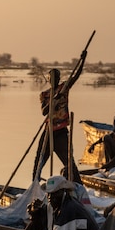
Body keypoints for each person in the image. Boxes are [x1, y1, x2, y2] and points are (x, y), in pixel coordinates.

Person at [34, 52, 88, 181]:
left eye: (56, 78)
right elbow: (44, 112)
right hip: (48, 132)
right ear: (49, 80)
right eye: (51, 78)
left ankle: (78, 185)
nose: (54, 80)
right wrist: (53, 100)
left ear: (58, 79)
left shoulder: (64, 88)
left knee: (69, 161)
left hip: (61, 132)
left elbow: (76, 76)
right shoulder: (45, 94)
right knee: (38, 161)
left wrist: (82, 60)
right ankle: (34, 185)